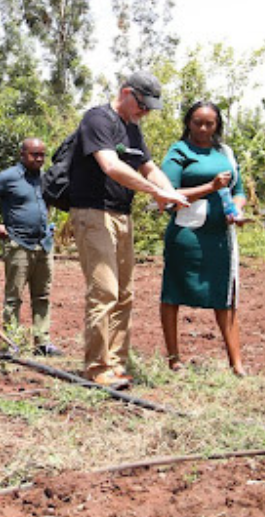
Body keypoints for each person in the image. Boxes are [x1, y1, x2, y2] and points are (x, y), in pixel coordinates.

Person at [69, 71, 189, 389]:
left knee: (124, 294)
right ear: (125, 93)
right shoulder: (98, 119)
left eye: (150, 107)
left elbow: (149, 168)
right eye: (142, 105)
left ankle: (116, 363)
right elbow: (111, 166)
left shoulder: (132, 130)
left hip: (121, 215)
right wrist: (155, 192)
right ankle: (96, 367)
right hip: (94, 214)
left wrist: (171, 193)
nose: (145, 113)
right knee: (104, 291)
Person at [160, 101, 249, 377]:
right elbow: (168, 196)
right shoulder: (179, 151)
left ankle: (237, 364)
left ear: (217, 125)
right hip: (187, 236)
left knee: (225, 296)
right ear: (188, 122)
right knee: (173, 292)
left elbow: (239, 190)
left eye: (209, 123)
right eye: (197, 122)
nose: (203, 128)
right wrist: (209, 187)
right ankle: (174, 359)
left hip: (220, 239)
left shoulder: (226, 153)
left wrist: (237, 210)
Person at [0, 138, 62, 356]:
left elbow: (46, 201)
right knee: (14, 297)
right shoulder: (9, 176)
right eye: (34, 155)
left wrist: (46, 223)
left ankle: (42, 342)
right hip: (19, 244)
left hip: (43, 244)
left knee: (42, 296)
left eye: (42, 155)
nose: (39, 159)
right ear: (22, 154)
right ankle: (11, 342)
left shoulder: (43, 178)